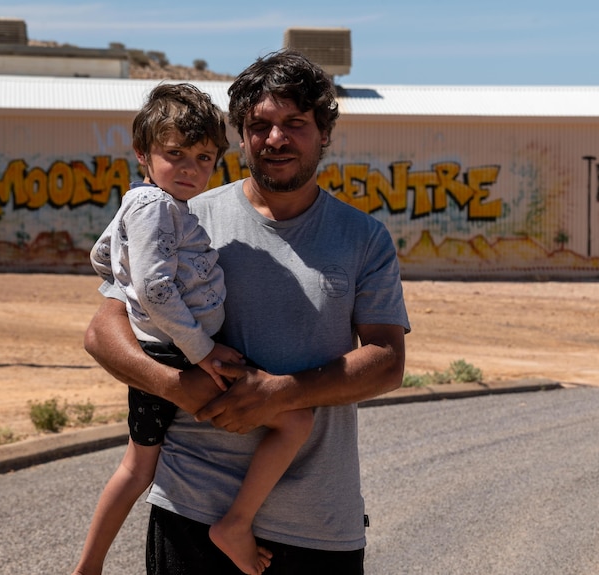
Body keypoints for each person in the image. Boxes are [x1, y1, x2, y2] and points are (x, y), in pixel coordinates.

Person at [83, 49, 410, 575]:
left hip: (319, 524)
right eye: (259, 125)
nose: (276, 139)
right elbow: (102, 332)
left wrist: (281, 394)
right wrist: (173, 386)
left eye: (295, 124)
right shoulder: (184, 215)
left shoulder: (363, 238)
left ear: (324, 132)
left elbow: (388, 362)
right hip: (190, 513)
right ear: (240, 135)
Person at [76, 82, 316, 575]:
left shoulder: (137, 201)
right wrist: (202, 350)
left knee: (137, 465)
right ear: (143, 152)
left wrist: (120, 273)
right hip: (177, 355)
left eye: (204, 157)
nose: (190, 169)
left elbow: (101, 254)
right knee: (295, 419)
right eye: (175, 154)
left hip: (162, 349)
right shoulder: (159, 208)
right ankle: (235, 523)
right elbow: (154, 289)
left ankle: (89, 567)